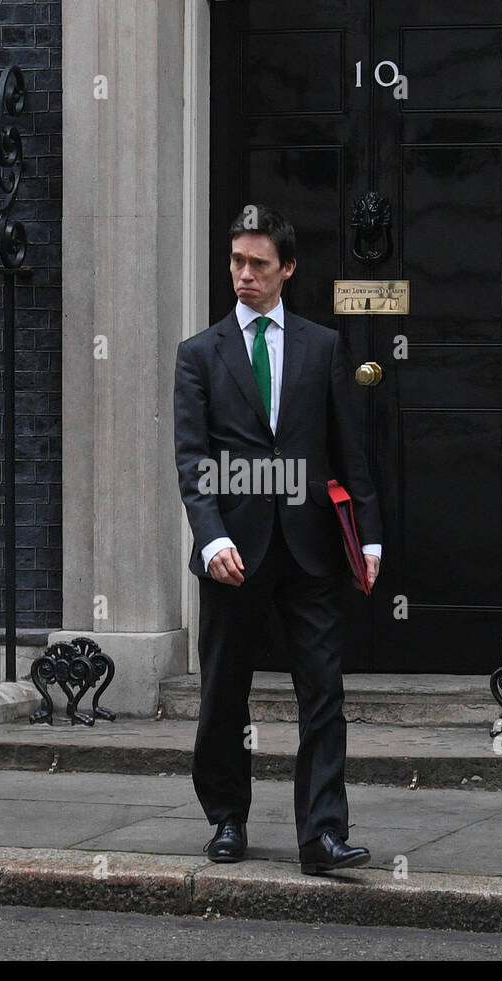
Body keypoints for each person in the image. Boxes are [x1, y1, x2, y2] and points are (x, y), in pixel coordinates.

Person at [172, 205, 382, 875]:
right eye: (237, 261)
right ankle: (227, 819)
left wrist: (369, 540)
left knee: (322, 693)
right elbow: (192, 459)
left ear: (287, 268)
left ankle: (322, 835)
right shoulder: (199, 355)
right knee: (223, 694)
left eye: (259, 264)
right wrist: (209, 540)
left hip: (311, 549)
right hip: (234, 551)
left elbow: (351, 450)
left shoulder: (323, 347)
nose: (244, 275)